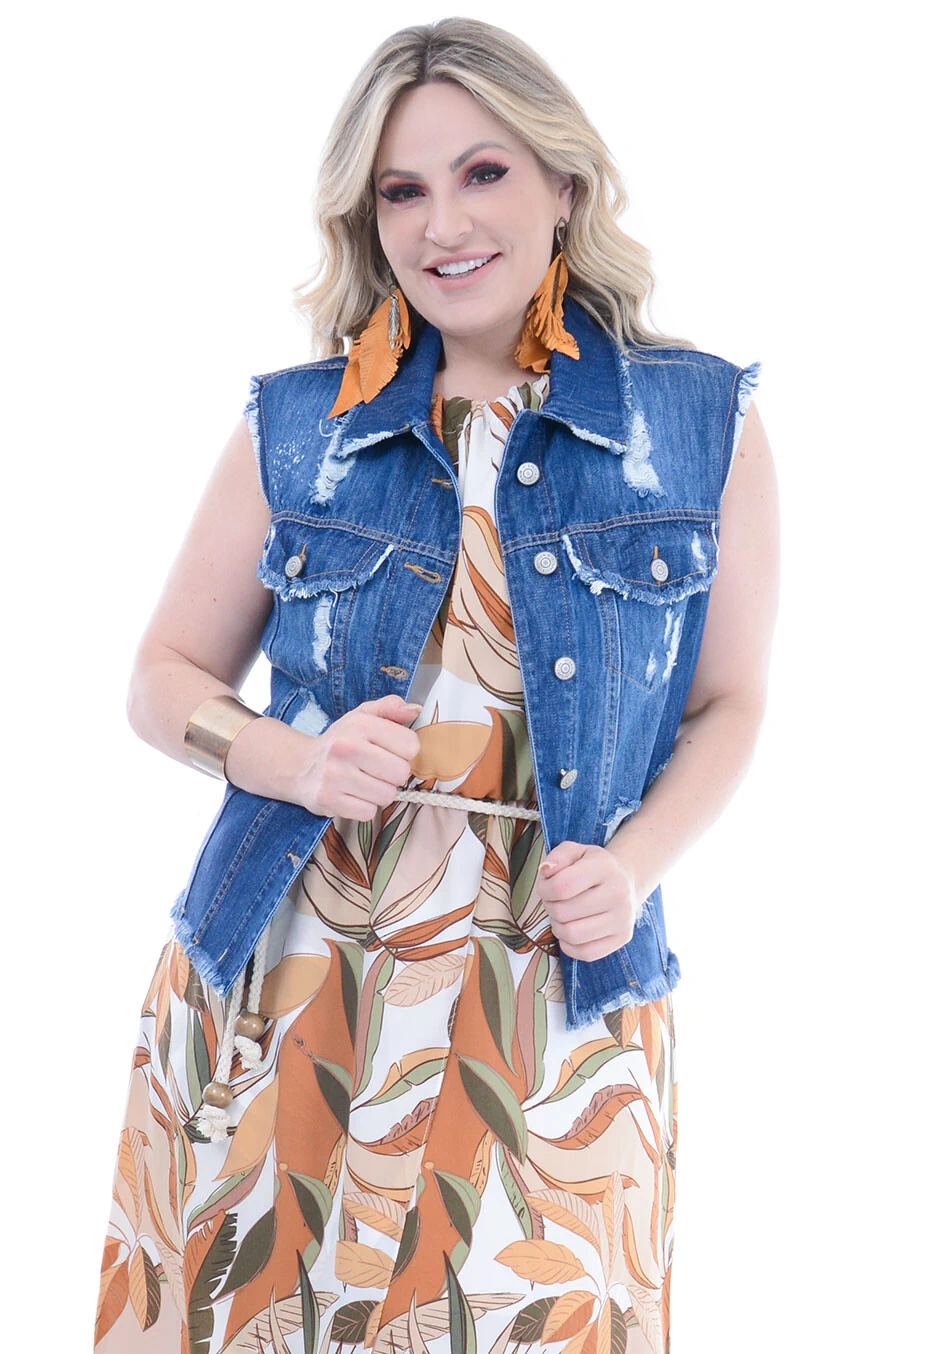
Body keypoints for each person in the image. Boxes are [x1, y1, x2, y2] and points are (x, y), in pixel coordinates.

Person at [94, 17, 778, 1354]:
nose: (442, 224)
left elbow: (729, 704)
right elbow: (160, 678)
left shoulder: (698, 422)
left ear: (564, 183)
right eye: (402, 190)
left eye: (484, 173)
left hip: (557, 979)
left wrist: (634, 865)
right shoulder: (303, 425)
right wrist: (294, 760)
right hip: (294, 970)